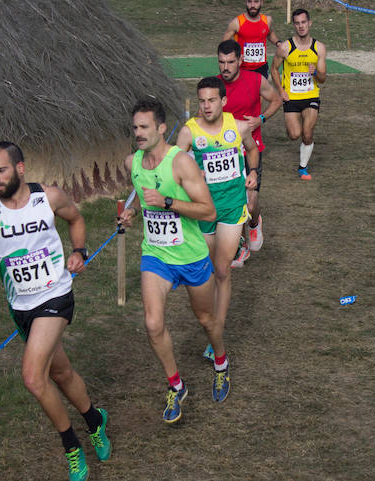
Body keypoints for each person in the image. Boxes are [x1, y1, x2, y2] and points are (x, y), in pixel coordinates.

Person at [0, 142, 111, 481]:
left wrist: (80, 251)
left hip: (55, 294)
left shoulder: (49, 197)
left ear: (20, 168)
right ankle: (95, 421)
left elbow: (76, 219)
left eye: (2, 170)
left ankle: (72, 447)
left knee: (32, 377)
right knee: (61, 373)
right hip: (21, 306)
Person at [118, 99, 228, 423]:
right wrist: (131, 212)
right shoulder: (133, 162)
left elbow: (209, 211)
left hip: (191, 257)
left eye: (144, 127)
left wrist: (168, 202)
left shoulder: (181, 164)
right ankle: (176, 385)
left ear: (162, 128)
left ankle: (221, 362)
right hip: (157, 255)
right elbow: (141, 189)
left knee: (207, 320)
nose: (137, 133)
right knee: (153, 323)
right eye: (135, 127)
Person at [175, 77, 259, 367]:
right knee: (208, 271)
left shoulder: (238, 127)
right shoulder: (189, 133)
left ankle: (217, 331)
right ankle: (212, 323)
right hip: (204, 210)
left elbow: (252, 149)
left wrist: (253, 173)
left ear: (223, 101)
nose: (206, 106)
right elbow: (176, 167)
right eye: (202, 101)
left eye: (212, 100)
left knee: (222, 270)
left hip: (232, 207)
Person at [215, 39, 283, 267]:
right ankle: (240, 244)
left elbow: (276, 99)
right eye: (221, 62)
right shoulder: (214, 87)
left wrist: (261, 119)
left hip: (251, 150)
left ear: (240, 61)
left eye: (230, 62)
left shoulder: (255, 80)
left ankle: (255, 223)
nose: (225, 67)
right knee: (235, 202)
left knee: (250, 203)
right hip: (224, 155)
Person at [270, 9, 328, 180]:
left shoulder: (319, 48)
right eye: (297, 23)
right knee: (295, 134)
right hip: (292, 98)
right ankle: (293, 127)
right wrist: (281, 91)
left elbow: (323, 79)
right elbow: (274, 69)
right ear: (294, 25)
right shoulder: (285, 47)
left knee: (307, 133)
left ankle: (303, 168)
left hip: (311, 96)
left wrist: (315, 72)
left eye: (304, 22)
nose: (301, 26)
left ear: (309, 23)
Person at [222, 0, 283, 80]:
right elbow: (224, 43)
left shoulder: (267, 20)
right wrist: (234, 55)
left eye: (256, 1)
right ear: (245, 2)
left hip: (261, 68)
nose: (252, 5)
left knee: (261, 94)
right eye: (249, 1)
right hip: (242, 68)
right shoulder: (237, 22)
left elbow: (270, 33)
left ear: (261, 2)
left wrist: (278, 43)